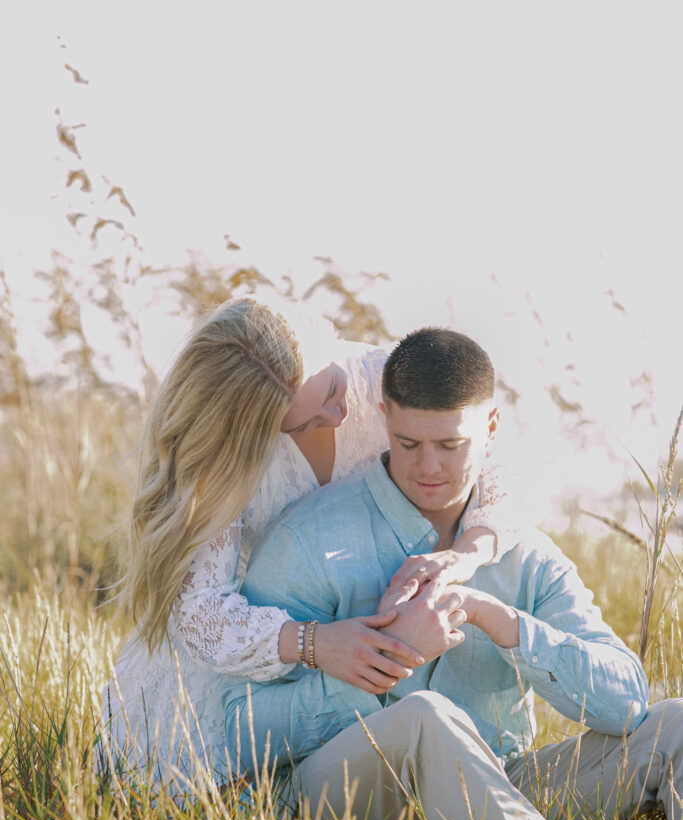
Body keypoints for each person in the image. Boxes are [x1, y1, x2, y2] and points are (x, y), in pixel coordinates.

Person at [223, 327, 683, 820]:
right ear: (384, 419)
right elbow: (236, 729)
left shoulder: (525, 556)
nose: (428, 467)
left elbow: (624, 703)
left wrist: (498, 620)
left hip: (501, 810)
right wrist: (380, 662)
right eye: (408, 444)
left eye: (450, 445)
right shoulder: (310, 539)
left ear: (491, 427)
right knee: (424, 719)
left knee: (674, 724)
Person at [106, 298, 524, 781]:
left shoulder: (381, 374)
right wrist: (314, 643)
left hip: (363, 626)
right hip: (249, 658)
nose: (340, 413)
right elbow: (198, 614)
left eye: (331, 385)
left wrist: (463, 555)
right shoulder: (221, 458)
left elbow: (502, 463)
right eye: (303, 424)